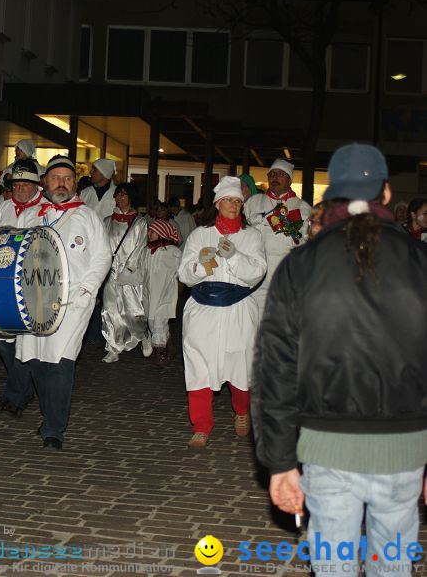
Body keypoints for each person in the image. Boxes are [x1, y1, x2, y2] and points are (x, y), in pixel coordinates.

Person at [252, 144, 427, 577]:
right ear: (386, 195)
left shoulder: (301, 265)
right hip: (403, 449)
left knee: (333, 566)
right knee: (393, 566)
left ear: (331, 199)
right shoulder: (421, 263)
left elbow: (274, 370)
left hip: (327, 447)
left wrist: (280, 462)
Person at [17, 155, 110, 450]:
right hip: (32, 299)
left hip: (72, 302)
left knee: (60, 362)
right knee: (33, 360)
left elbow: (102, 256)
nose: (61, 183)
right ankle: (49, 415)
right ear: (45, 182)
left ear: (74, 183)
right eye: (56, 178)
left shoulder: (87, 216)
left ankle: (55, 428)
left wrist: (88, 290)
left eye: (67, 179)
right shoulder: (31, 216)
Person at [178, 176, 266, 448]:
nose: (234, 205)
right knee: (199, 368)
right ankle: (201, 425)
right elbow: (184, 274)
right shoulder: (200, 234)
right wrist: (201, 265)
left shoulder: (251, 236)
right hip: (203, 311)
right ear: (217, 203)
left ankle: (241, 411)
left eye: (238, 201)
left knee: (239, 365)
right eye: (229, 200)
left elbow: (257, 272)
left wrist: (235, 256)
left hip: (238, 308)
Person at [0, 158, 45, 419]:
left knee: (26, 341)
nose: (21, 188)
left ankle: (15, 395)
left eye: (27, 183)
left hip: (33, 284)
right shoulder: (1, 208)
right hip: (0, 283)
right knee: (3, 340)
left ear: (36, 185)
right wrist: (0, 234)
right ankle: (23, 388)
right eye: (17, 184)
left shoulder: (47, 209)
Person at [243, 159, 311, 312]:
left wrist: (293, 233)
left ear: (289, 180)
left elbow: (305, 243)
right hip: (257, 273)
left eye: (281, 174)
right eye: (272, 174)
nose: (275, 177)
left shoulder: (302, 207)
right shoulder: (254, 202)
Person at [101, 183, 150, 363]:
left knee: (133, 310)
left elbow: (140, 248)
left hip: (130, 272)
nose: (119, 198)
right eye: (117, 195)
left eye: (123, 195)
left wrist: (129, 268)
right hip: (110, 272)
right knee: (110, 310)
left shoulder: (140, 222)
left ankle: (143, 334)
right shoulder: (107, 221)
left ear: (131, 197)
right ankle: (113, 347)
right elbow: (102, 247)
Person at [142, 218, 182, 365]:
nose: (149, 233)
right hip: (149, 293)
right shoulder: (147, 250)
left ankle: (161, 353)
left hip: (164, 293)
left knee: (159, 322)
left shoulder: (172, 252)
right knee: (152, 322)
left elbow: (182, 269)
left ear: (161, 233)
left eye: (152, 231)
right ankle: (168, 345)